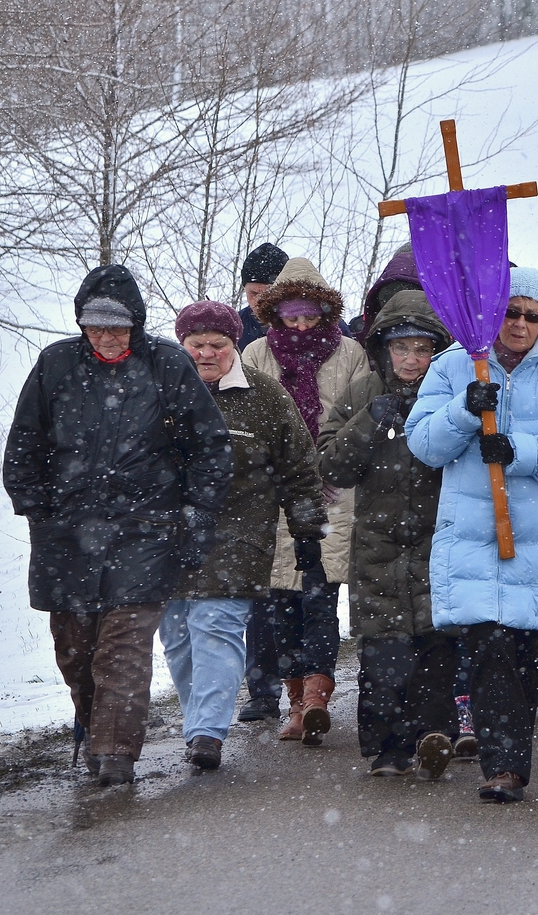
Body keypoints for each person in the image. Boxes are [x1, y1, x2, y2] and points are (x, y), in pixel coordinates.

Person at [3, 266, 233, 786]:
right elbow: (24, 442)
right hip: (67, 535)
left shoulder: (166, 365)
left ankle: (116, 753)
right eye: (95, 326)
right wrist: (36, 506)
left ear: (137, 323)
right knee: (76, 650)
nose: (106, 337)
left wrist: (196, 512)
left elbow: (210, 446)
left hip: (147, 530)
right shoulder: (56, 364)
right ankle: (94, 727)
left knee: (123, 647)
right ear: (81, 323)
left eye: (118, 326)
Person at [407, 269, 538, 802]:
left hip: (537, 541)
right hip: (472, 538)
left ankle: (509, 753)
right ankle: (505, 766)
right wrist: (464, 411)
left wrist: (520, 452)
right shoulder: (453, 365)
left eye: (532, 316)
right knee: (489, 645)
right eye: (510, 312)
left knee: (524, 653)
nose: (519, 324)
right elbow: (424, 443)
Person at [165, 300, 325, 771]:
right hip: (170, 534)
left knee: (214, 625)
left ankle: (207, 733)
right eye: (197, 345)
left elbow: (299, 469)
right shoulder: (162, 390)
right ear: (183, 345)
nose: (207, 353)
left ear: (235, 345)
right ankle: (198, 719)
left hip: (239, 530)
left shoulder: (265, 396)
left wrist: (308, 532)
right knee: (177, 635)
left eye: (219, 344)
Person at [317, 290, 460, 778]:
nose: (411, 359)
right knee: (384, 649)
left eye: (422, 349)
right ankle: (388, 746)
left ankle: (435, 735)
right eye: (402, 348)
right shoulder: (361, 393)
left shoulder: (450, 392)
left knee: (437, 645)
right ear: (384, 348)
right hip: (378, 542)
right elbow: (332, 464)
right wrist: (369, 421)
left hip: (438, 536)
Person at [241, 257, 369, 745]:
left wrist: (325, 464)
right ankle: (296, 699)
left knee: (319, 598)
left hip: (332, 495)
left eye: (309, 314)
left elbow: (356, 421)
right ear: (275, 313)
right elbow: (249, 421)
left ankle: (315, 696)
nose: (300, 323)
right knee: (279, 605)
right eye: (291, 314)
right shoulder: (255, 354)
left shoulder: (351, 354)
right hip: (275, 496)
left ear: (325, 311)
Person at [237, 243, 288, 350]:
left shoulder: (304, 324)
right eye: (253, 293)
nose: (259, 301)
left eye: (268, 294)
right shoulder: (234, 327)